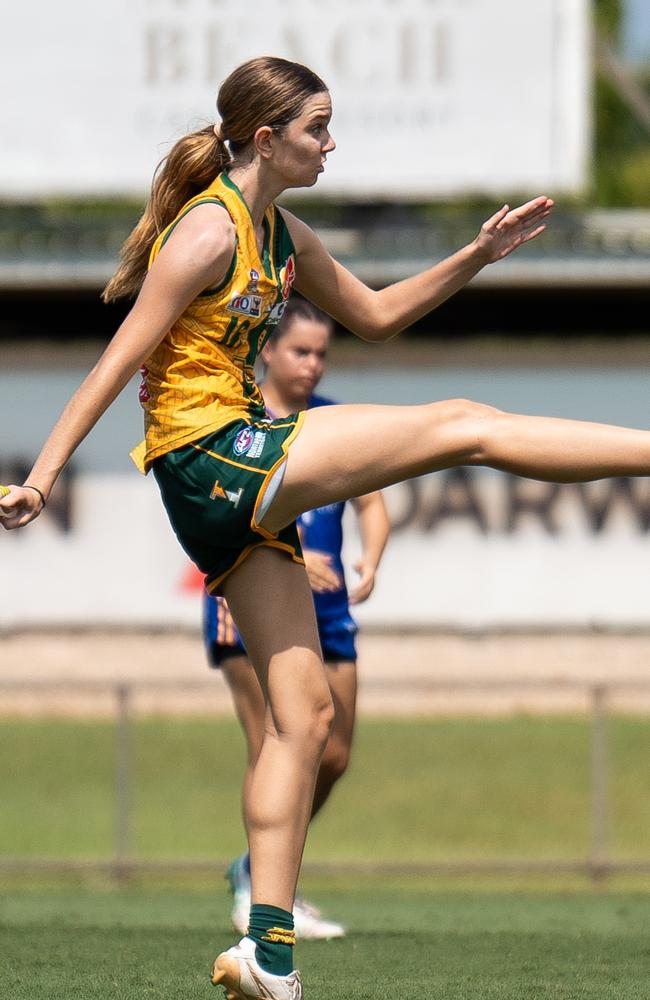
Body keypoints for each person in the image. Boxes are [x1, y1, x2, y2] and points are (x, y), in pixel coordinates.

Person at [3, 53, 650, 1000]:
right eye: (318, 128)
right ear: (266, 137)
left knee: (302, 721)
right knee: (463, 423)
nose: (332, 144)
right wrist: (45, 475)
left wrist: (474, 254)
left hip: (223, 480)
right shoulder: (208, 232)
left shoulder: (282, 231)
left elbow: (379, 317)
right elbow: (116, 362)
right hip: (215, 455)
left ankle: (267, 951)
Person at [203, 296, 390, 940]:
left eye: (321, 354)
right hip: (247, 604)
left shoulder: (333, 423)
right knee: (278, 744)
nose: (313, 365)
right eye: (301, 351)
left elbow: (370, 502)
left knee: (331, 755)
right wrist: (291, 557)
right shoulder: (238, 420)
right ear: (268, 351)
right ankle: (265, 898)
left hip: (330, 612)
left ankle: (254, 867)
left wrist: (372, 556)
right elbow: (219, 508)